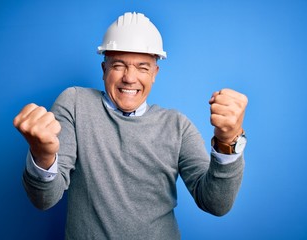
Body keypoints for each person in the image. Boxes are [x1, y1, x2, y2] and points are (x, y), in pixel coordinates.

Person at [13, 12, 248, 240]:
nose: (129, 78)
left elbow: (216, 203)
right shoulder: (75, 105)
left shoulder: (177, 126)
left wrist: (228, 143)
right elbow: (44, 199)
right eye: (118, 65)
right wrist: (42, 156)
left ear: (155, 73)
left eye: (142, 67)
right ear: (104, 70)